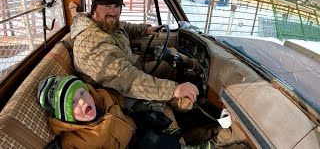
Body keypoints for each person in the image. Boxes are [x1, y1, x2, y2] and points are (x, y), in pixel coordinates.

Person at [70, 0, 199, 105]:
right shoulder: (91, 42)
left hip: (132, 66)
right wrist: (174, 90)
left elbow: (124, 27)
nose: (113, 11)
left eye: (116, 6)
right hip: (117, 92)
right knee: (175, 84)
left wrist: (145, 30)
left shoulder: (104, 24)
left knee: (168, 66)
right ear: (94, 8)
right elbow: (126, 79)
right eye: (107, 5)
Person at [37, 75, 214, 149]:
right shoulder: (75, 141)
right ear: (65, 116)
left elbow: (118, 99)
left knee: (159, 123)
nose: (83, 100)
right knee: (158, 145)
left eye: (82, 92)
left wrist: (142, 104)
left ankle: (176, 139)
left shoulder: (100, 98)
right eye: (73, 103)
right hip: (129, 146)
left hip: (133, 125)